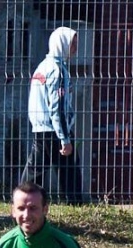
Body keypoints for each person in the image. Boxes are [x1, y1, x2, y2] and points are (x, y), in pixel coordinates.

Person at [20, 26, 88, 205]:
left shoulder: (42, 67)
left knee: (36, 169)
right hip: (54, 129)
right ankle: (75, 204)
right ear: (62, 44)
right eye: (72, 44)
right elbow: (56, 107)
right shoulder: (57, 71)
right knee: (69, 170)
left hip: (40, 127)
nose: (75, 49)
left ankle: (24, 198)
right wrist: (64, 138)